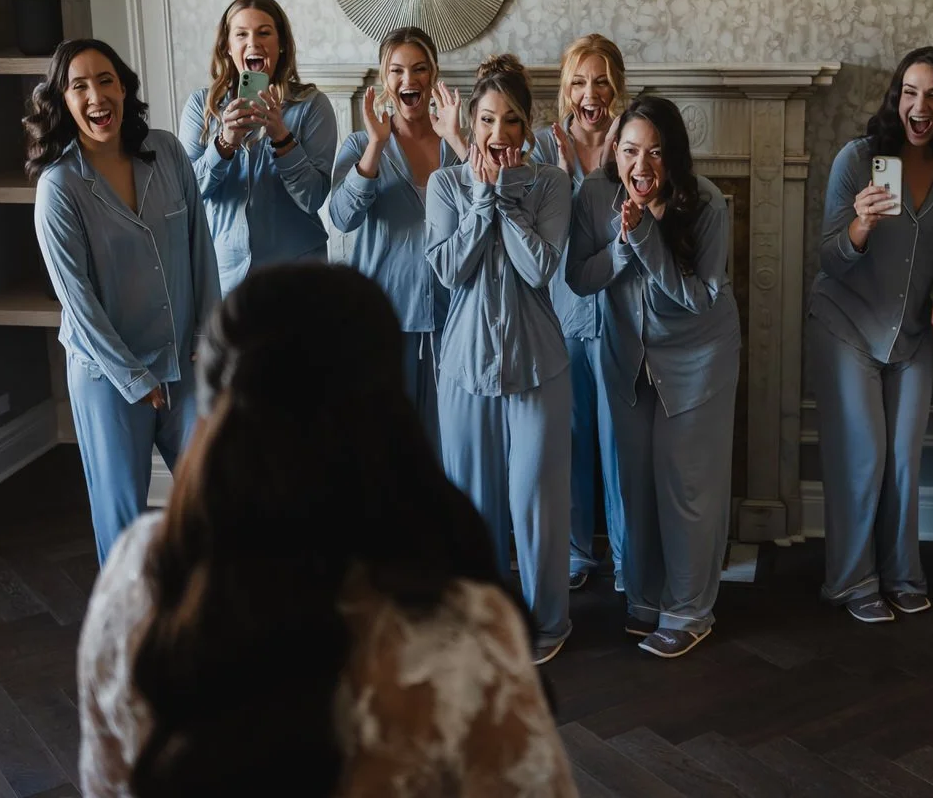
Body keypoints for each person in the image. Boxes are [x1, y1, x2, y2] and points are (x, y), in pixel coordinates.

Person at [76, 263, 575, 797]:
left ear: (216, 409)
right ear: (389, 413)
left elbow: (108, 785)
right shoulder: (464, 632)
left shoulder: (137, 580)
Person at [26, 38, 220, 564]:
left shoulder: (168, 151)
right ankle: (132, 633)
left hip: (183, 363)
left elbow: (201, 247)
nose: (95, 95)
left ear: (124, 87)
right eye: (79, 86)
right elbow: (78, 302)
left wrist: (208, 334)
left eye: (105, 80)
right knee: (123, 518)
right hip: (110, 380)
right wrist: (134, 379)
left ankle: (212, 616)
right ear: (63, 102)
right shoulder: (59, 187)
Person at [806, 45, 933, 623]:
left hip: (910, 334)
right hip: (847, 324)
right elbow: (830, 259)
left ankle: (902, 574)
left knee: (905, 460)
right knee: (864, 456)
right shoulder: (859, 160)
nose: (920, 104)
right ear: (896, 98)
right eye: (910, 92)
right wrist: (859, 226)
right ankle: (853, 581)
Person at [567, 95, 742, 659]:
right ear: (615, 152)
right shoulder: (595, 197)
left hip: (698, 363)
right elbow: (577, 278)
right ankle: (644, 600)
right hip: (626, 360)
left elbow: (696, 299)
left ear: (675, 157)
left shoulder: (707, 204)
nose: (642, 166)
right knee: (633, 485)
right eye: (630, 151)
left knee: (687, 489)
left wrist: (645, 240)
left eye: (657, 153)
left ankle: (690, 611)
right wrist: (621, 248)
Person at [425, 55, 573, 664]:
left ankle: (548, 622)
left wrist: (507, 200)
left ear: (528, 125)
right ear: (475, 121)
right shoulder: (445, 186)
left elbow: (540, 267)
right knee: (472, 503)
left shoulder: (552, 185)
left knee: (535, 502)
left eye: (511, 121)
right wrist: (482, 197)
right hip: (464, 368)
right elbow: (449, 269)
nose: (498, 133)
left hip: (537, 365)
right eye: (487, 119)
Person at [328, 27, 468, 452]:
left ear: (434, 75)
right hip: (386, 317)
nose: (410, 80)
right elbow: (341, 218)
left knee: (451, 443)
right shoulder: (359, 144)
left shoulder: (456, 146)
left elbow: (489, 209)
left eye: (420, 69)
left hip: (453, 316)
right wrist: (375, 145)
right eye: (398, 70)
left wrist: (459, 140)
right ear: (385, 81)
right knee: (388, 444)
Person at [531, 33, 628, 592]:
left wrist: (614, 163)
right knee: (568, 440)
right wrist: (573, 180)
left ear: (616, 83)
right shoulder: (545, 146)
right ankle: (573, 554)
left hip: (619, 315)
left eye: (600, 79)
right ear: (566, 91)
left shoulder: (633, 141)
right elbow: (543, 229)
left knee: (620, 444)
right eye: (578, 82)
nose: (590, 93)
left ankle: (625, 555)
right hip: (562, 314)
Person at [178, 0, 337, 295]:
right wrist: (224, 144)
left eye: (264, 32)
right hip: (223, 280)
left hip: (298, 279)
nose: (253, 43)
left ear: (282, 44)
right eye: (241, 34)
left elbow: (313, 197)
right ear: (227, 46)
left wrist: (281, 136)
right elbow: (188, 195)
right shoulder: (202, 107)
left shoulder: (312, 106)